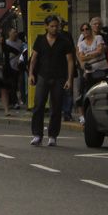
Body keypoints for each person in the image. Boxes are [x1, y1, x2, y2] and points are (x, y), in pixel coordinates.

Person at [29, 15, 77, 147]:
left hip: (59, 77)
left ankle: (52, 135)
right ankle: (37, 134)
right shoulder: (40, 40)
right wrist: (31, 74)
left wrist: (69, 79)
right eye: (52, 26)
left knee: (56, 107)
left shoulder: (64, 41)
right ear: (46, 26)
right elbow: (34, 58)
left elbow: (70, 61)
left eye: (57, 26)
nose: (55, 28)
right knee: (38, 105)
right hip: (43, 76)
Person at [5, 27, 27, 110]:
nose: (15, 34)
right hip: (10, 67)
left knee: (19, 84)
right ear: (9, 33)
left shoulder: (20, 42)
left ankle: (20, 100)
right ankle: (14, 102)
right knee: (12, 85)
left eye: (16, 32)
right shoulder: (6, 43)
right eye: (13, 32)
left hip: (19, 67)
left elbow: (23, 53)